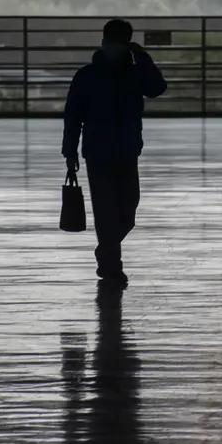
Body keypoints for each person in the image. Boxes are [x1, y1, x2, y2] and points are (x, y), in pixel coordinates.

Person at [62, 19, 167, 284]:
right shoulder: (89, 75)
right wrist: (69, 151)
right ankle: (112, 267)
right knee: (108, 212)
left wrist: (141, 57)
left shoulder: (131, 74)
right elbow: (73, 116)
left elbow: (157, 88)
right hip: (101, 151)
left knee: (127, 212)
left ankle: (105, 253)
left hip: (123, 150)